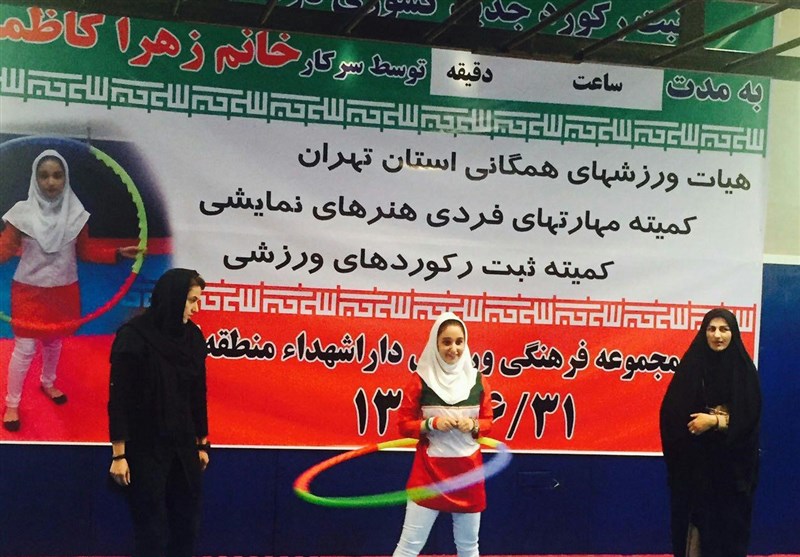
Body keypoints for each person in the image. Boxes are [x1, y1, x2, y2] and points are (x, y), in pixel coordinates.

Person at [1, 149, 139, 432]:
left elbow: (85, 252)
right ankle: (12, 403)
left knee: (54, 342)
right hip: (28, 291)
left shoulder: (76, 215)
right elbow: (4, 249)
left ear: (66, 178)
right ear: (35, 179)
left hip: (63, 291)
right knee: (25, 348)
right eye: (44, 176)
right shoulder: (21, 214)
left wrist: (117, 252)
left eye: (57, 175)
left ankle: (48, 382)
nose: (51, 182)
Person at [107, 268, 210, 557]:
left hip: (184, 445)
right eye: (191, 300)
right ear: (173, 298)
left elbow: (198, 394)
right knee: (152, 530)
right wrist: (119, 455)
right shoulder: (134, 336)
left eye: (198, 300)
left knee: (187, 525)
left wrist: (202, 444)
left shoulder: (193, 337)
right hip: (145, 447)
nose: (196, 308)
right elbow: (119, 399)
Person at [659, 307, 761, 557]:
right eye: (712, 329)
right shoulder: (691, 368)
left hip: (732, 475)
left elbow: (750, 418)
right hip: (696, 472)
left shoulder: (745, 372)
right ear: (703, 333)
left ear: (733, 333)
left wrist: (714, 421)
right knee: (695, 537)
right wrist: (696, 428)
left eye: (724, 329)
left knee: (728, 535)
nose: (717, 335)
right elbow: (671, 415)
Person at [392, 312, 493, 557]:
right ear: (435, 344)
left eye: (459, 342)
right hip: (429, 475)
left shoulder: (478, 381)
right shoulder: (420, 380)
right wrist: (432, 423)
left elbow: (488, 423)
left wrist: (474, 425)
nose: (453, 349)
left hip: (468, 474)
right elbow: (403, 425)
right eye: (446, 342)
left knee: (468, 547)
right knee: (409, 547)